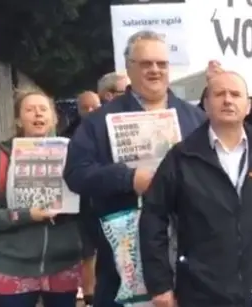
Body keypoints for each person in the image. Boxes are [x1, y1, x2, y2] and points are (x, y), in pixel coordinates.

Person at [63, 30, 206, 307]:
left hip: (187, 261)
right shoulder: (98, 121)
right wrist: (129, 179)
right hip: (123, 264)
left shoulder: (196, 119)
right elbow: (76, 174)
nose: (155, 70)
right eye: (146, 63)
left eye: (161, 64)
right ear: (128, 68)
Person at [139, 70, 252, 306]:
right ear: (206, 105)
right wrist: (160, 285)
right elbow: (153, 218)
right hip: (200, 291)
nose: (228, 99)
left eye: (235, 94)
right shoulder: (182, 156)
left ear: (248, 106)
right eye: (219, 94)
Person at [0, 89, 82, 307]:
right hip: (12, 267)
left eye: (43, 109)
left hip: (64, 265)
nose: (38, 114)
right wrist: (25, 215)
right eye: (29, 110)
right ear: (19, 119)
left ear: (54, 117)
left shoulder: (74, 155)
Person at [60, 91, 102, 307]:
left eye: (94, 106)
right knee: (86, 251)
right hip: (78, 203)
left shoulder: (104, 128)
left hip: (101, 201)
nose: (91, 111)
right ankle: (88, 295)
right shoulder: (67, 136)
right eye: (86, 107)